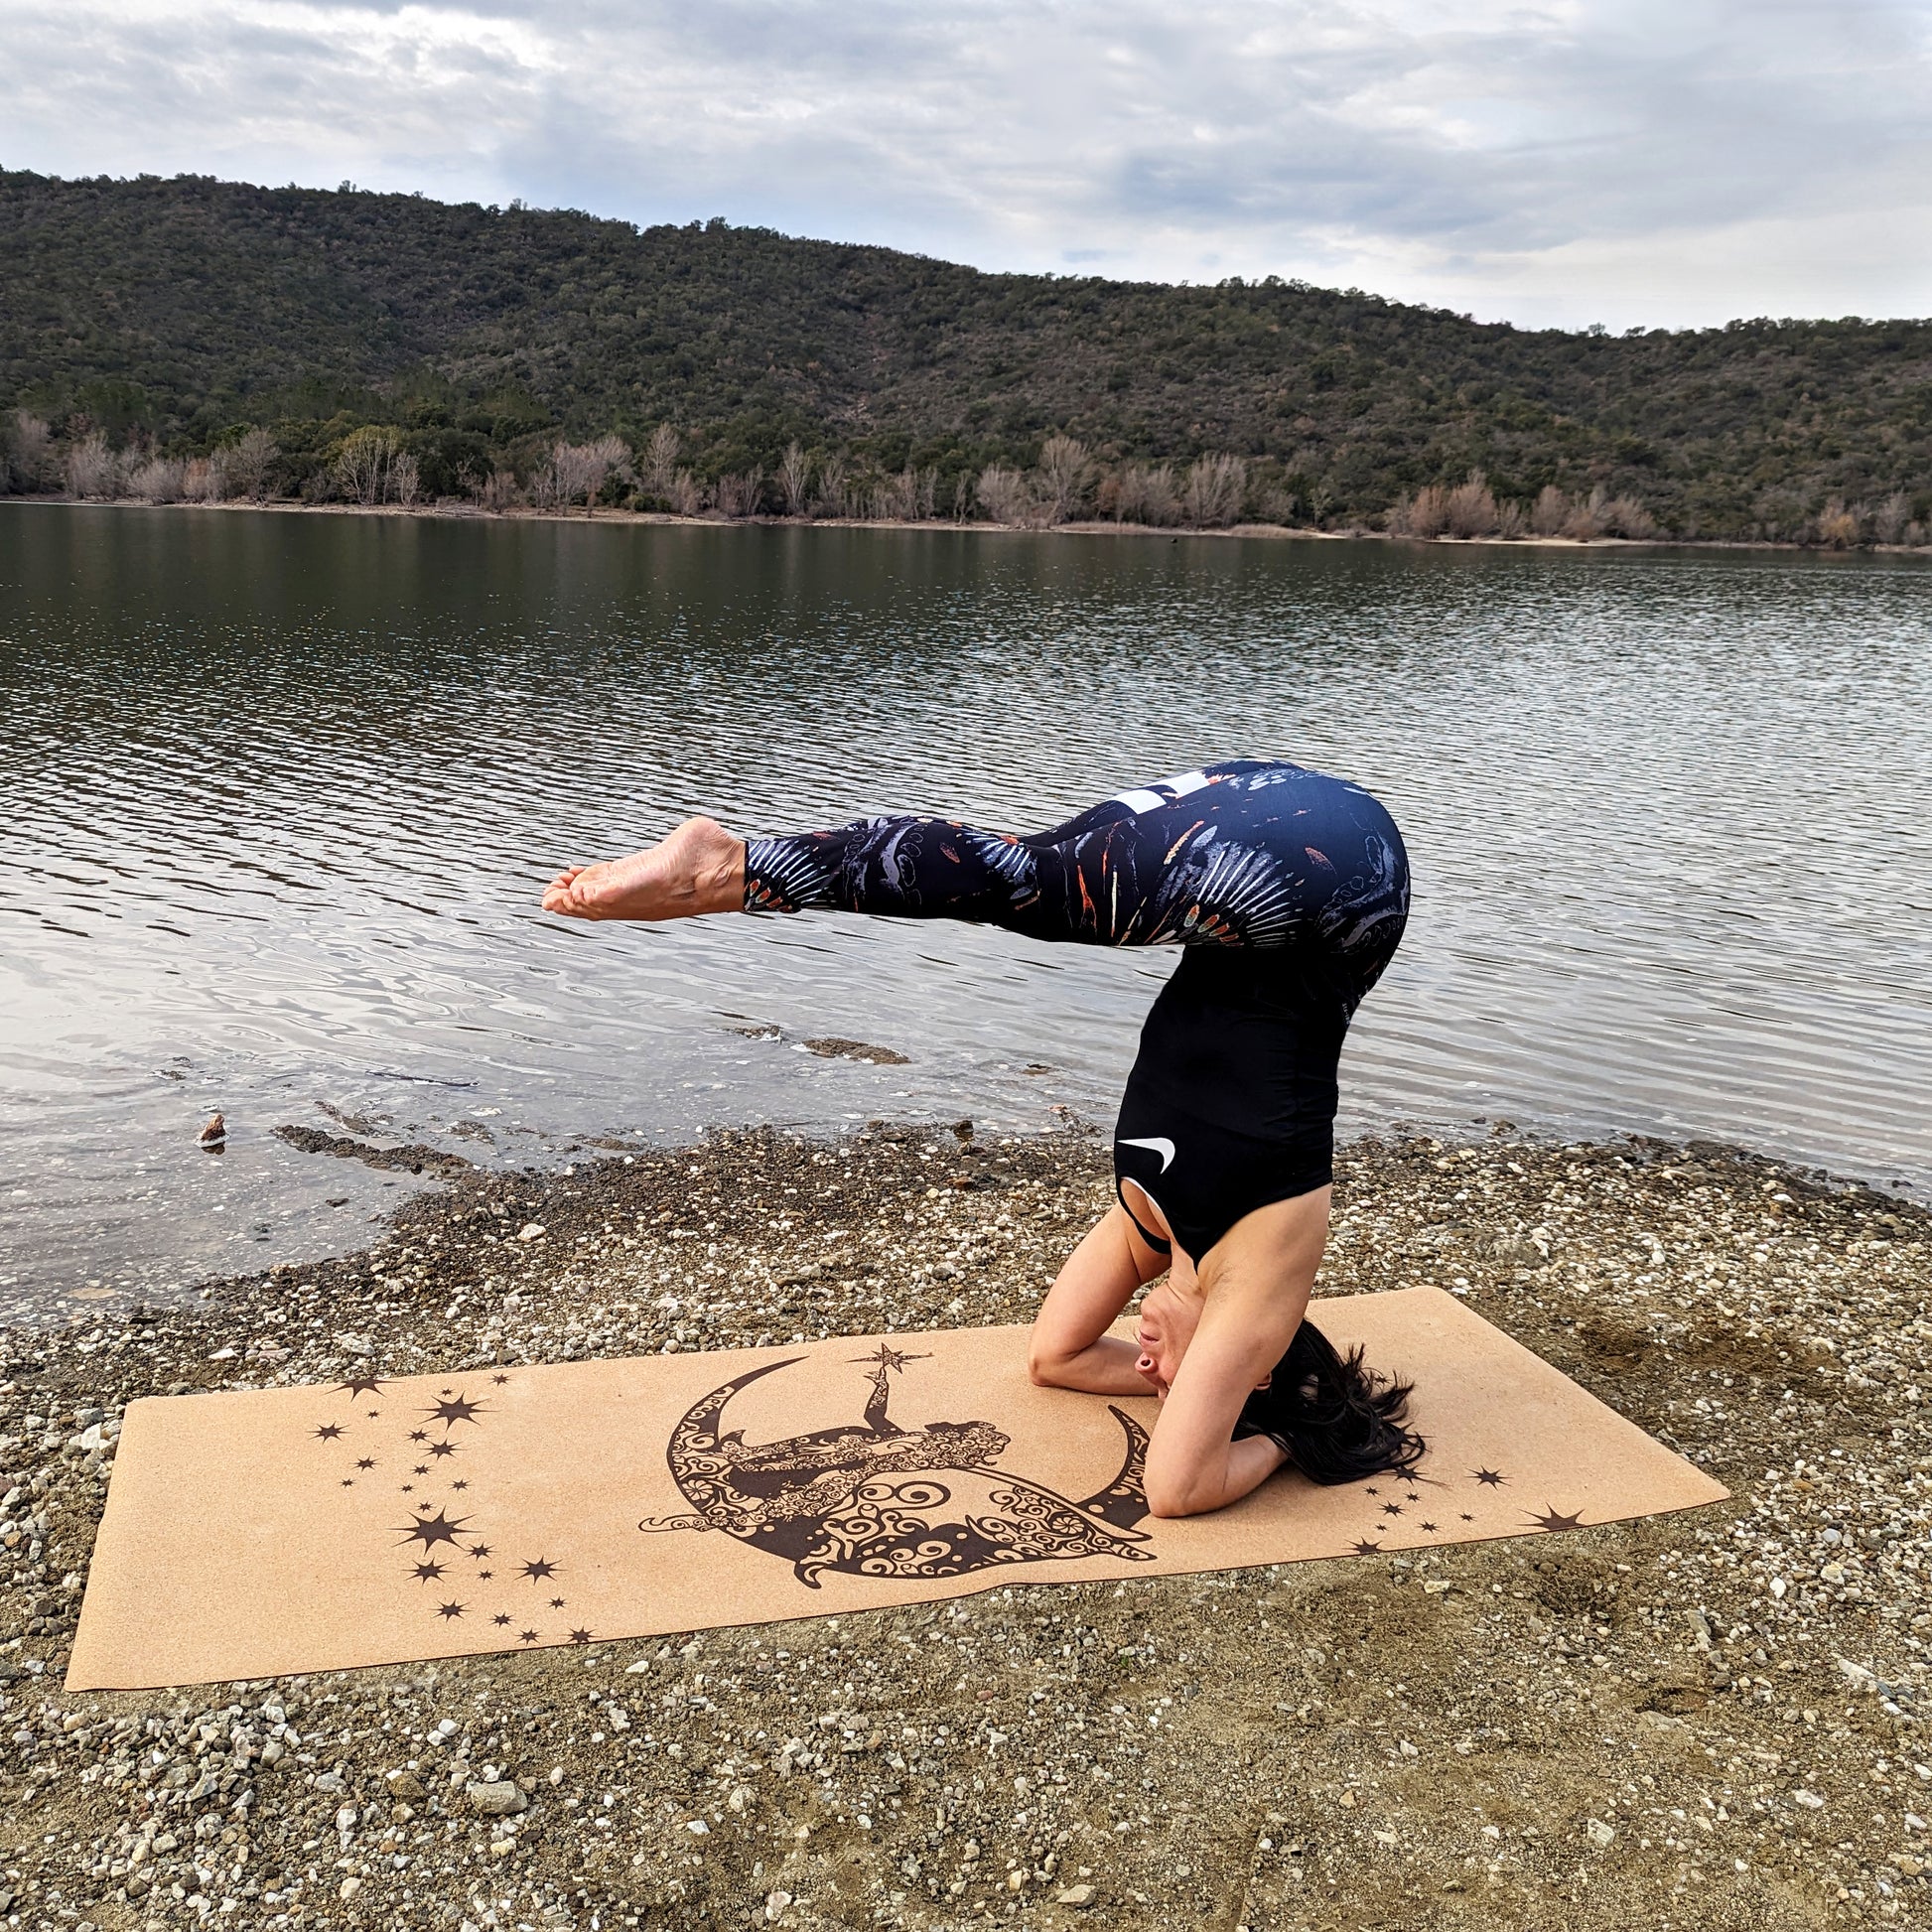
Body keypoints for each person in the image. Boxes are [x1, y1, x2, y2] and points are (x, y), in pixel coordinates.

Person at [542, 759, 1424, 1518]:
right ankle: (728, 867)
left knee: (1037, 872)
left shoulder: (1156, 1233)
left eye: (1155, 1381)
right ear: (1257, 1372)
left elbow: (1058, 1358)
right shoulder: (1257, 1289)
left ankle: (739, 867)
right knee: (1033, 886)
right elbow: (1177, 1488)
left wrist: (1190, 1387)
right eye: (1171, 1380)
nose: (1152, 1371)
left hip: (1268, 815)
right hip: (1338, 881)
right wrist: (1286, 1436)